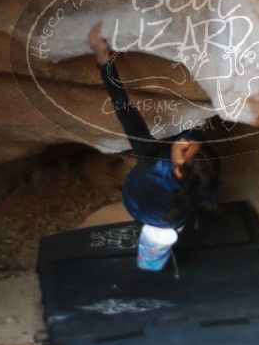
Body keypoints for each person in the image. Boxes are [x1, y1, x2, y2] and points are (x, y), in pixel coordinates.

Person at [87, 21, 220, 271]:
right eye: (190, 145)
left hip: (142, 204)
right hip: (168, 212)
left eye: (184, 148)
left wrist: (103, 61)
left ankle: (152, 259)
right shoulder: (203, 180)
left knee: (160, 233)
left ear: (178, 170)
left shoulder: (150, 160)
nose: (184, 142)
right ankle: (154, 257)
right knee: (165, 230)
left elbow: (123, 108)